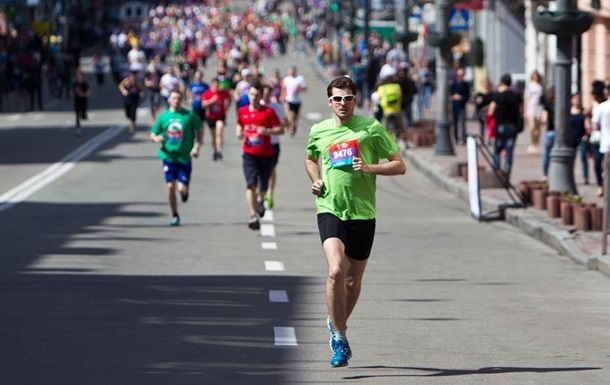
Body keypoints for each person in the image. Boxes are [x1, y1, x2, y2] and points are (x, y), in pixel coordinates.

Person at [304, 76, 406, 368]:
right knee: (336, 270)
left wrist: (370, 167)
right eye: (337, 98)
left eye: (348, 98)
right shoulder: (319, 131)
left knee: (352, 280)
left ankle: (335, 320)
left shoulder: (371, 128)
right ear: (329, 102)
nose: (342, 103)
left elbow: (400, 165)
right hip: (330, 207)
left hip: (363, 212)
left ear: (355, 100)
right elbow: (311, 159)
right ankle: (340, 336)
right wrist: (316, 179)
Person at [150, 89, 203, 226]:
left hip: (184, 157)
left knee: (181, 189)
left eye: (179, 98)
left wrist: (197, 146)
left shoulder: (189, 115)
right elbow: (153, 133)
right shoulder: (163, 117)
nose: (176, 101)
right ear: (169, 100)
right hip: (168, 157)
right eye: (173, 98)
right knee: (170, 186)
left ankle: (184, 192)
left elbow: (200, 129)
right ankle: (175, 214)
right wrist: (156, 138)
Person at [236, 82, 283, 230]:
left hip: (266, 154)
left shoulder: (268, 112)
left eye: (257, 95)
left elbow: (280, 129)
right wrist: (238, 131)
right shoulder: (242, 111)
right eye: (251, 95)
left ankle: (261, 200)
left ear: (261, 95)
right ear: (248, 95)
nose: (254, 98)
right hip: (249, 154)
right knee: (251, 184)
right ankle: (253, 216)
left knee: (263, 185)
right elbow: (239, 124)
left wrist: (267, 131)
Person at [487, 73, 523, 177]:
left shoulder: (497, 95)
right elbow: (521, 110)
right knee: (509, 150)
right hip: (512, 125)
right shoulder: (516, 95)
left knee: (498, 148)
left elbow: (490, 111)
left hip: (500, 125)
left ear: (502, 82)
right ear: (510, 83)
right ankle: (506, 172)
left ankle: (496, 169)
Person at [261, 84, 288, 209]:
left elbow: (285, 123)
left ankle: (270, 193)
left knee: (271, 169)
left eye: (268, 94)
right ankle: (261, 193)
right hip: (258, 144)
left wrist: (281, 123)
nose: (265, 96)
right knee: (259, 170)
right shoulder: (256, 106)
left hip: (273, 143)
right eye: (264, 93)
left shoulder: (276, 107)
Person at [582, 81, 606, 195]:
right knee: (597, 162)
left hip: (603, 138)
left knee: (600, 162)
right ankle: (600, 184)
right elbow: (589, 120)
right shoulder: (594, 105)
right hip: (596, 138)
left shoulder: (604, 105)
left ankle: (602, 183)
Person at [202, 77, 233, 160]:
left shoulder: (223, 92)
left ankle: (219, 150)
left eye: (217, 85)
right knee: (213, 136)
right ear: (211, 85)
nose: (215, 86)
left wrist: (227, 107)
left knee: (219, 131)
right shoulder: (208, 93)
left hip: (220, 116)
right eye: (214, 85)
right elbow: (203, 104)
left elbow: (229, 99)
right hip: (210, 116)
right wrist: (212, 100)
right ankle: (215, 150)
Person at [591, 82, 610, 197]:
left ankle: (602, 186)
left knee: (602, 166)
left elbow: (595, 125)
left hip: (605, 143)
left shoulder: (601, 107)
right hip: (605, 143)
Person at [282, 66, 307, 136]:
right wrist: (282, 96)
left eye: (293, 70)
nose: (291, 72)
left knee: (296, 116)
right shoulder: (286, 79)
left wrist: (300, 88)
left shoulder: (300, 79)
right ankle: (291, 128)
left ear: (295, 71)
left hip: (298, 100)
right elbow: (283, 88)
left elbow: (305, 88)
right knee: (290, 114)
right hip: (289, 99)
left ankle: (294, 125)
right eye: (290, 70)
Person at [524, 70, 545, 153]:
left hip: (539, 107)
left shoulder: (541, 85)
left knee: (538, 128)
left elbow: (544, 97)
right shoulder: (530, 85)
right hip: (531, 107)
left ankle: (537, 144)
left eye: (536, 76)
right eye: (534, 76)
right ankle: (532, 143)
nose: (535, 77)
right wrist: (525, 109)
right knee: (532, 127)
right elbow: (526, 97)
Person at [450, 68, 471, 144]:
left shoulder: (465, 84)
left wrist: (461, 97)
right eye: (459, 75)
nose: (460, 76)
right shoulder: (453, 84)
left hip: (462, 106)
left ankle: (464, 139)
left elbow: (468, 96)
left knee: (463, 123)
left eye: (461, 75)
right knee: (455, 123)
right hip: (455, 106)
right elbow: (449, 94)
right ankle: (456, 139)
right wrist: (453, 97)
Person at [72, 69, 91, 137]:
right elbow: (72, 92)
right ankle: (78, 128)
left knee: (83, 115)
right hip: (77, 101)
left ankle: (84, 115)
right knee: (77, 115)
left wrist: (83, 94)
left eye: (80, 76)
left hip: (84, 100)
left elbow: (88, 93)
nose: (79, 77)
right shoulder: (75, 84)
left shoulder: (85, 84)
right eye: (77, 76)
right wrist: (73, 95)